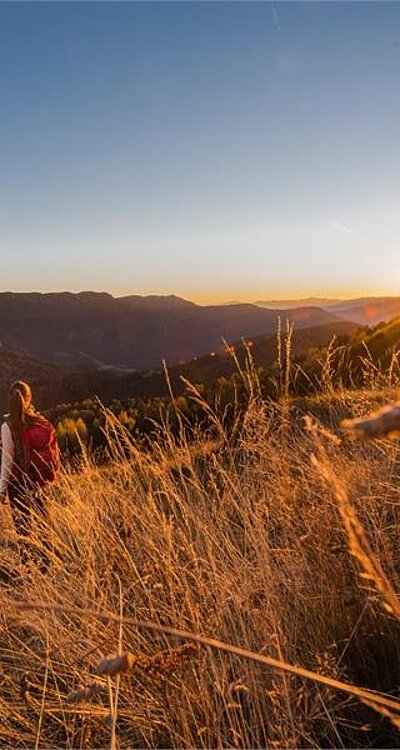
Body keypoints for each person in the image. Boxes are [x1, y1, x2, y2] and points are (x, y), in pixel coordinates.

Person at [0, 380, 60, 566]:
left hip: (18, 485)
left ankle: (29, 570)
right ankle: (48, 563)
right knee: (43, 524)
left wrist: (1, 489)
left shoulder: (8, 426)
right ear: (29, 398)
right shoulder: (40, 422)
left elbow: (7, 461)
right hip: (39, 482)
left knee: (24, 529)